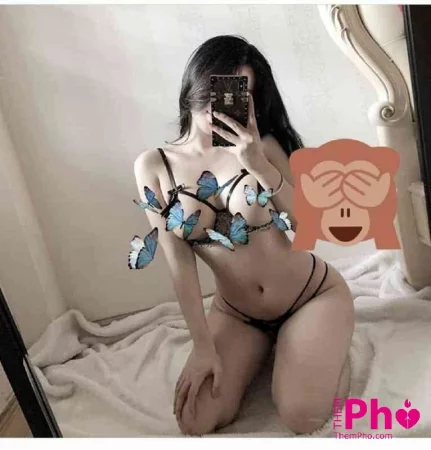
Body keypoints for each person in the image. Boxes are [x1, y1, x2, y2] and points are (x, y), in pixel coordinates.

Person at [133, 35, 354, 436]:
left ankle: (325, 344)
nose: (223, 103)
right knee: (195, 419)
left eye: (239, 92)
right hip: (238, 315)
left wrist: (257, 164)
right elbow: (179, 264)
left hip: (309, 296)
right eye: (218, 85)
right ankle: (275, 348)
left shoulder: (263, 146)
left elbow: (309, 226)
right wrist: (202, 346)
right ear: (196, 82)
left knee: (302, 415)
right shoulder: (153, 167)